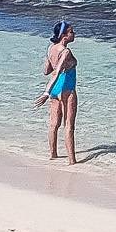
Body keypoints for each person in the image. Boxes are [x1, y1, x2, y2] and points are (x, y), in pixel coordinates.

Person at [35, 22, 81, 164]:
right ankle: (72, 161)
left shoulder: (51, 48)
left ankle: (53, 154)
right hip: (66, 87)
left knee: (54, 124)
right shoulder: (65, 52)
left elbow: (47, 71)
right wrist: (46, 93)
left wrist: (50, 91)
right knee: (69, 126)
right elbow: (57, 72)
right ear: (64, 36)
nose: (74, 34)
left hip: (56, 89)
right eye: (71, 32)